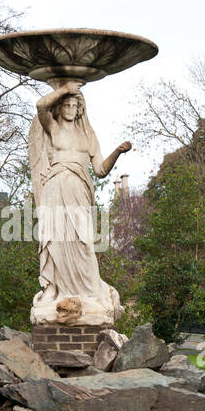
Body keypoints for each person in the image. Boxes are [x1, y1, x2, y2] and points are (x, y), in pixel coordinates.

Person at [27, 80, 130, 325]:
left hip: (79, 190)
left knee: (83, 242)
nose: (71, 108)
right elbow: (41, 105)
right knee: (59, 241)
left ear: (80, 108)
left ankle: (90, 293)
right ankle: (60, 293)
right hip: (55, 189)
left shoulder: (88, 136)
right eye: (67, 105)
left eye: (75, 104)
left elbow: (101, 170)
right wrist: (65, 89)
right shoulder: (53, 128)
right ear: (60, 108)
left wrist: (117, 151)